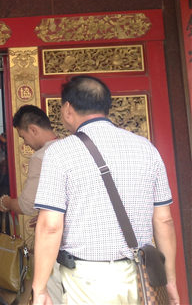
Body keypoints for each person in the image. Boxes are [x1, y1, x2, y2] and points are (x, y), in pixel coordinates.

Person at [32, 75, 179, 305]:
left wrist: (39, 288)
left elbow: (51, 226)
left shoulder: (60, 153)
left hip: (88, 280)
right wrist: (170, 280)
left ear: (68, 109)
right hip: (143, 277)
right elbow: (164, 220)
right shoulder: (147, 149)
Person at [0, 105, 61, 304]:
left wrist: (5, 202)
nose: (25, 143)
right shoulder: (74, 149)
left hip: (58, 246)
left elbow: (27, 205)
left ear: (33, 129)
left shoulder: (42, 156)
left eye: (23, 137)